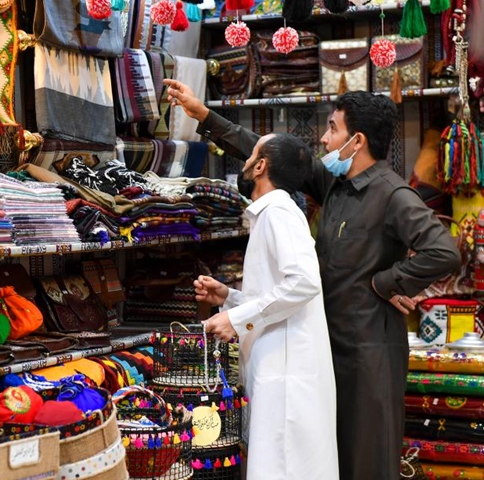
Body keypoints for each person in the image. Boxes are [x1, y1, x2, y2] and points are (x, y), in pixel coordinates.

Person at [166, 78, 461, 480]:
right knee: (324, 458)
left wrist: (387, 283)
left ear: (356, 141)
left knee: (366, 459)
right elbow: (275, 157)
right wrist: (205, 116)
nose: (323, 139)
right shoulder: (334, 185)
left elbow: (443, 251)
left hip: (368, 352)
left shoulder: (393, 195)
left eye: (333, 129)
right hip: (325, 346)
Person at [195, 132, 339, 480]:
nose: (247, 159)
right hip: (280, 365)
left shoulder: (278, 213)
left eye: (254, 153)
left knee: (282, 466)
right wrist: (229, 298)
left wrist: (237, 318)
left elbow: (303, 283)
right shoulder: (273, 213)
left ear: (260, 166)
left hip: (287, 374)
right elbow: (280, 294)